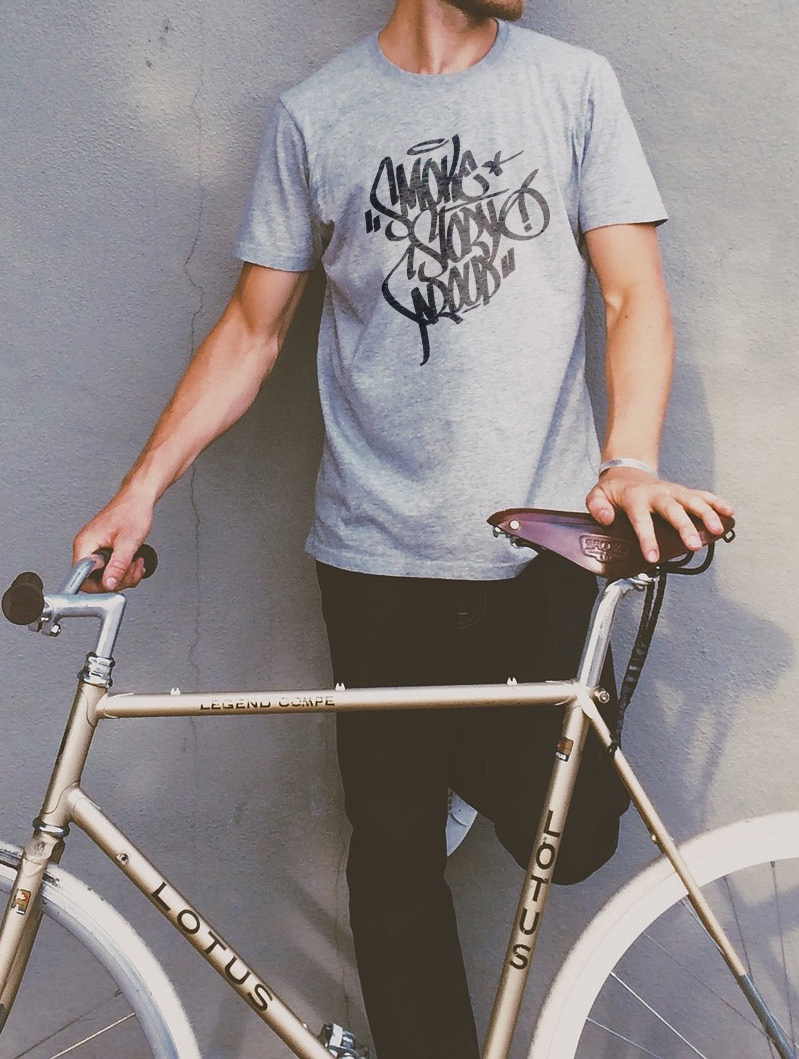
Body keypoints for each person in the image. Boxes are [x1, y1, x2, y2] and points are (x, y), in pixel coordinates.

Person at [74, 1, 734, 1056]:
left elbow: (631, 298)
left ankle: (449, 750)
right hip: (371, 557)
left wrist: (631, 463)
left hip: (541, 551)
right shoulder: (316, 115)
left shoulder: (571, 86)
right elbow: (253, 329)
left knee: (575, 840)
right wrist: (141, 486)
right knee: (390, 859)